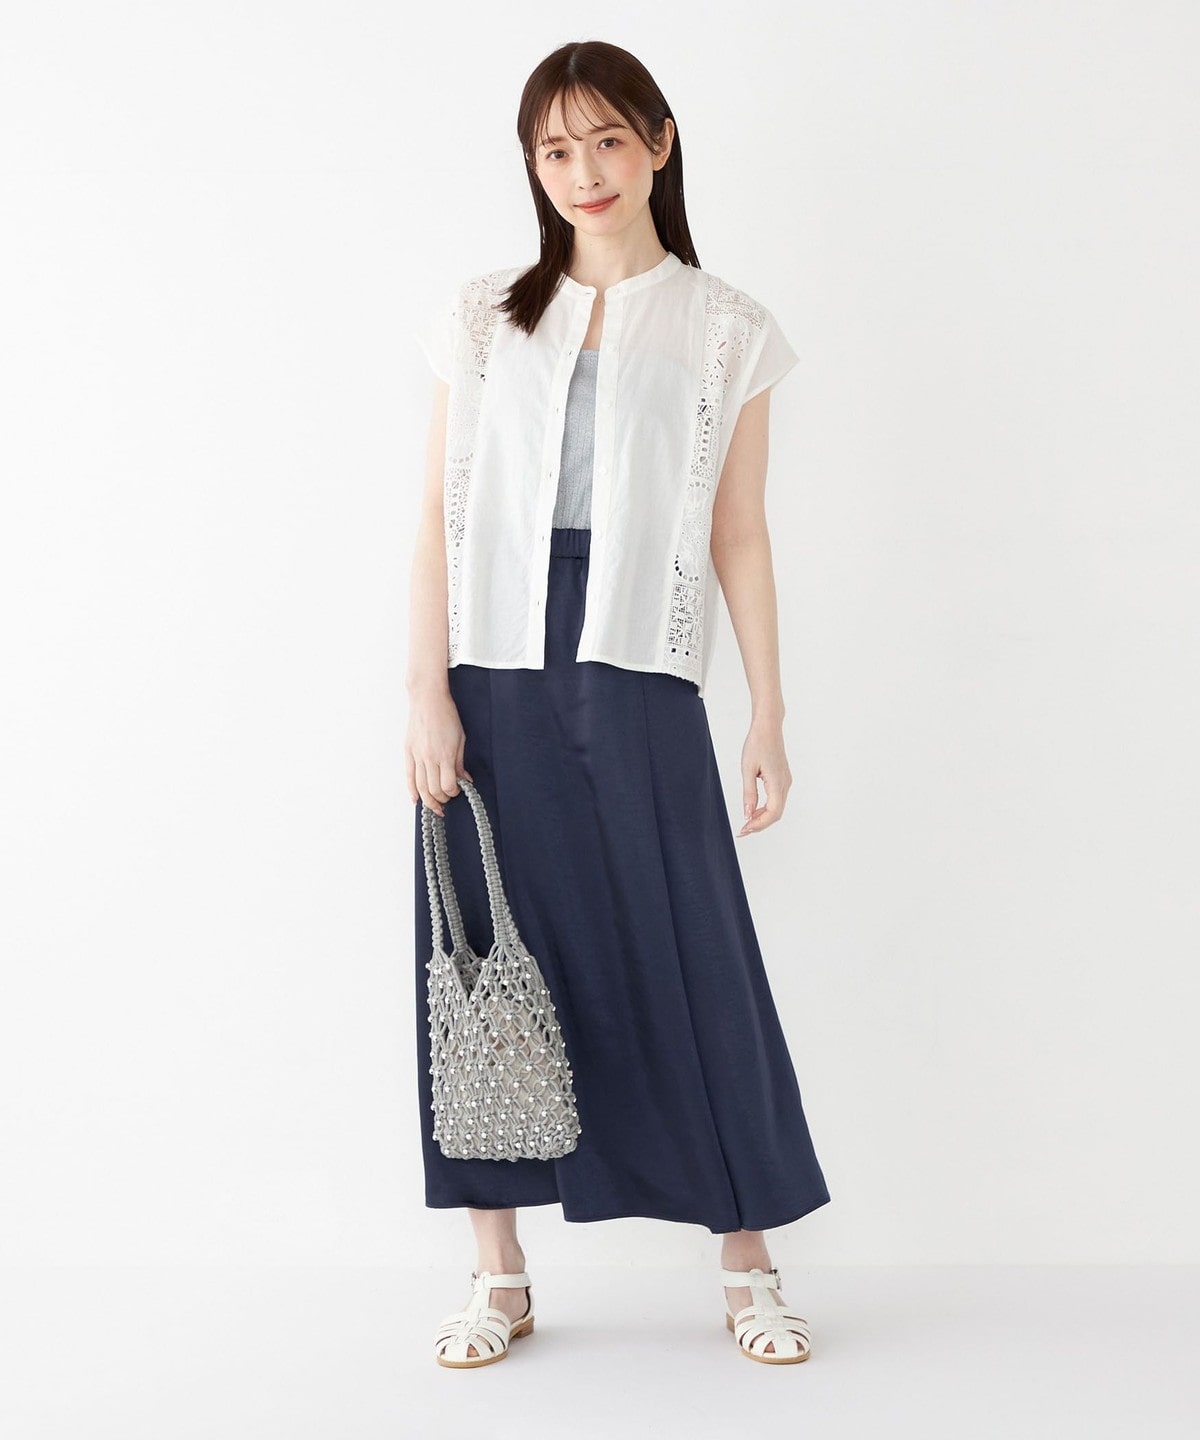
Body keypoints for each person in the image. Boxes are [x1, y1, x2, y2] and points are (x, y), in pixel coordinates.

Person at [406, 40, 830, 1368]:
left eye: (604, 140)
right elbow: (437, 517)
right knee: (484, 950)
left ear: (658, 142)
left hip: (640, 654)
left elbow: (739, 532)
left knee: (692, 945)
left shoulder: (724, 327)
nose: (582, 172)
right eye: (554, 149)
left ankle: (748, 1264)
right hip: (490, 661)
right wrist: (425, 692)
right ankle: (498, 1274)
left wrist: (766, 714)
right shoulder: (484, 316)